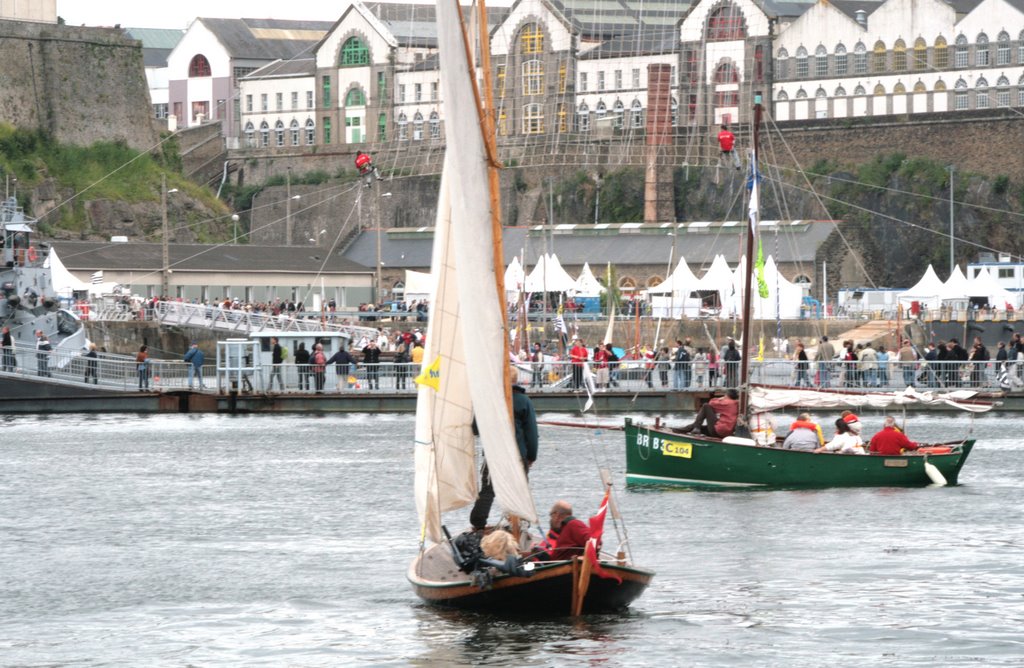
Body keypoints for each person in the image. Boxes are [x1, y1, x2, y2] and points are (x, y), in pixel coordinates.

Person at [470, 384, 539, 530]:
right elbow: (531, 432)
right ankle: (519, 525)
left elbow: (475, 428)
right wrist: (531, 455)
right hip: (517, 455)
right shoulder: (524, 401)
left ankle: (478, 522)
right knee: (520, 490)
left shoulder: (488, 400)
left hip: (493, 454)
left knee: (488, 490)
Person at [673, 388, 739, 437]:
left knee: (706, 406)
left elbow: (711, 403)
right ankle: (678, 430)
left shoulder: (728, 402)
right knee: (698, 427)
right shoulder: (735, 403)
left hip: (719, 431)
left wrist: (721, 398)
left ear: (727, 395)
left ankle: (695, 428)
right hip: (725, 432)